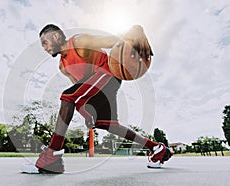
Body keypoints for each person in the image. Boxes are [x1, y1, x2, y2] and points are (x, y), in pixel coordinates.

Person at [35, 24, 172, 173]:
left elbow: (112, 41)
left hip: (108, 75)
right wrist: (86, 110)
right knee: (109, 124)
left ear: (55, 36)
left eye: (45, 43)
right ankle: (157, 148)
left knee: (67, 96)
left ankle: (53, 155)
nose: (44, 48)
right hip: (97, 85)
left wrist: (135, 31)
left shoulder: (78, 42)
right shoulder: (62, 66)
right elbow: (80, 88)